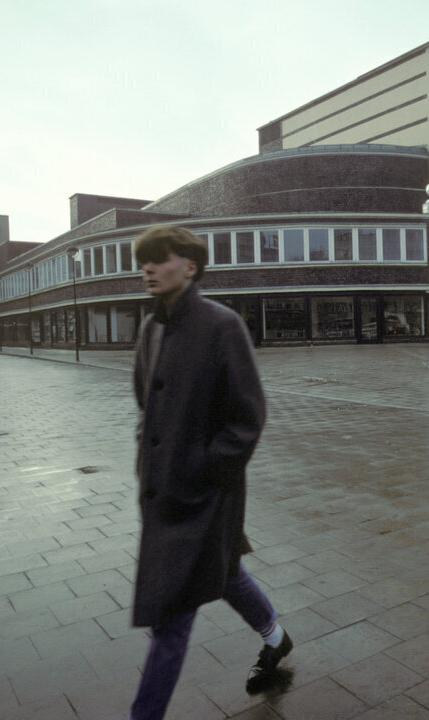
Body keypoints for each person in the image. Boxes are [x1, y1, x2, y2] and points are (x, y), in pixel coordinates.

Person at [128, 226, 291, 720]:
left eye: (160, 259)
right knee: (224, 574)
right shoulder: (150, 329)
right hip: (163, 496)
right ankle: (277, 638)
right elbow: (146, 407)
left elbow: (248, 418)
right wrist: (150, 458)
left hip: (205, 497)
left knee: (171, 620)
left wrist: (200, 469)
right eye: (144, 261)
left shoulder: (222, 326)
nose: (149, 269)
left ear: (191, 267)